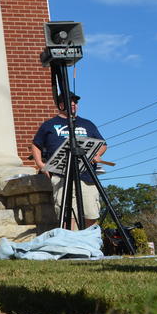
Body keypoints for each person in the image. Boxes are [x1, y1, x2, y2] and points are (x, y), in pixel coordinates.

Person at [31, 94, 107, 228]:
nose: (73, 105)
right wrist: (41, 165)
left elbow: (103, 144)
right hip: (61, 177)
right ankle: (73, 245)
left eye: (75, 103)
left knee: (91, 212)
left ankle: (89, 245)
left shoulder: (87, 124)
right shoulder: (49, 125)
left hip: (86, 176)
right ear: (60, 105)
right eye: (70, 102)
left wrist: (97, 154)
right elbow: (36, 145)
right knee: (67, 214)